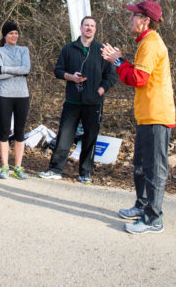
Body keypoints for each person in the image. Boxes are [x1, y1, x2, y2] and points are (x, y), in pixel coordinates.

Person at [101, 0, 176, 235]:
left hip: (157, 116)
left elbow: (138, 79)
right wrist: (121, 62)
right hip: (147, 116)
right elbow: (138, 73)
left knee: (154, 168)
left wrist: (118, 61)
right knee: (141, 166)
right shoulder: (145, 42)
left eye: (133, 16)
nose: (129, 19)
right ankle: (142, 206)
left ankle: (154, 219)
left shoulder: (152, 43)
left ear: (145, 20)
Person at [38, 16, 117, 183]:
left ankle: (85, 173)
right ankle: (55, 169)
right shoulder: (69, 48)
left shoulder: (102, 50)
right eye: (86, 25)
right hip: (73, 102)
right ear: (81, 28)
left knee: (90, 138)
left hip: (93, 103)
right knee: (64, 136)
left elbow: (111, 76)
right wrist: (71, 77)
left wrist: (101, 90)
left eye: (92, 26)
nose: (89, 28)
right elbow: (58, 70)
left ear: (95, 29)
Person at [0, 21, 31, 180]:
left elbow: (26, 69)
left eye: (16, 33)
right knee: (4, 130)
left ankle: (18, 167)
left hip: (22, 94)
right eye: (10, 33)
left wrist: (5, 69)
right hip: (4, 94)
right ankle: (4, 167)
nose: (14, 36)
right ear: (5, 35)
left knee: (20, 131)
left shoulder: (24, 50)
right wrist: (17, 71)